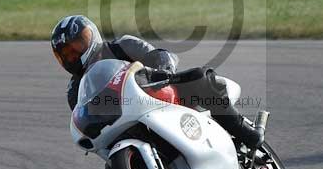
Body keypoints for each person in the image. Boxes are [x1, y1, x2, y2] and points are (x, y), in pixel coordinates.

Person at [50, 15, 263, 148]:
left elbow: (161, 56)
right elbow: (86, 120)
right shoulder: (74, 91)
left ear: (91, 36)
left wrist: (163, 72)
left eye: (77, 45)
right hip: (128, 123)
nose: (73, 55)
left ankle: (243, 129)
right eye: (66, 54)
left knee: (202, 78)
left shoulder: (121, 46)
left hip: (159, 94)